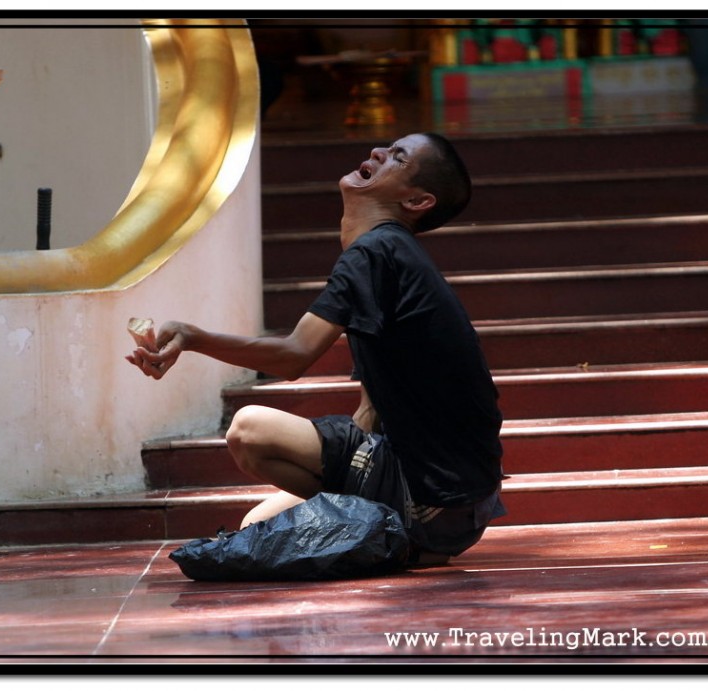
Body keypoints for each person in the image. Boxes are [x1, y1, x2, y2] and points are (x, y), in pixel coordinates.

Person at [127, 133, 506, 565]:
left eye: (398, 157)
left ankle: (397, 529)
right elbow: (369, 413)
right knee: (257, 524)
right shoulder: (390, 258)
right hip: (458, 509)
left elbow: (294, 356)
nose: (379, 153)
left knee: (250, 431)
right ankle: (397, 533)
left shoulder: (377, 251)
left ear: (417, 201)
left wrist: (194, 339)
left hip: (434, 497)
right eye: (388, 147)